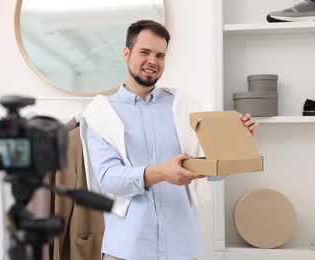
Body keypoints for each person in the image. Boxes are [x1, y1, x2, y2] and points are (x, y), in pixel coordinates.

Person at [80, 20, 258, 260]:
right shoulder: (101, 113)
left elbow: (214, 170)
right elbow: (108, 178)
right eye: (144, 52)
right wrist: (161, 173)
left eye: (160, 55)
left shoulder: (186, 107)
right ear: (126, 53)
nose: (152, 61)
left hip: (182, 248)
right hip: (127, 249)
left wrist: (235, 141)